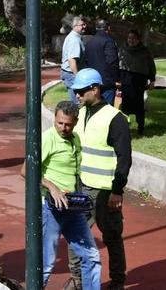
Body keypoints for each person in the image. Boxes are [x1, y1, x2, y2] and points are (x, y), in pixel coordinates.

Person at [21, 101, 101, 289]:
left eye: (68, 124)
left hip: (73, 207)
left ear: (75, 122)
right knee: (46, 264)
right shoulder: (47, 139)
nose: (63, 128)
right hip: (51, 208)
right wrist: (51, 186)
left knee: (91, 256)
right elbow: (26, 170)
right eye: (59, 123)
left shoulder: (75, 139)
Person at [66, 68, 131, 290]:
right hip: (82, 186)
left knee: (112, 237)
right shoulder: (81, 113)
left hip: (105, 192)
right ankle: (76, 280)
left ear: (95, 89)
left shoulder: (115, 118)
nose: (77, 95)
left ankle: (118, 282)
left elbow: (124, 159)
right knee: (75, 236)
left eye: (81, 91)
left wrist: (117, 191)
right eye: (76, 91)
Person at [119, 29, 156, 136]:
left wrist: (152, 80)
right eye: (129, 38)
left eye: (134, 38)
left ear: (138, 39)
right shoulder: (122, 49)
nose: (131, 40)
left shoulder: (144, 51)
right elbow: (118, 65)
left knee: (139, 107)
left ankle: (141, 127)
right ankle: (124, 127)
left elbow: (150, 66)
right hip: (125, 80)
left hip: (139, 82)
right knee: (125, 106)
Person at [85, 19, 121, 105]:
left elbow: (86, 61)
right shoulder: (109, 41)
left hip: (93, 81)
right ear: (108, 28)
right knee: (106, 109)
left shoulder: (89, 42)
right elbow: (112, 62)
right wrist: (116, 80)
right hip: (107, 83)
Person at [61, 16, 87, 105]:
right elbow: (72, 61)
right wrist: (78, 78)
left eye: (85, 24)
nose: (85, 26)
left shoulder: (74, 37)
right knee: (77, 103)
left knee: (77, 101)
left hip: (69, 74)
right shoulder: (74, 40)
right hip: (71, 74)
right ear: (75, 26)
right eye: (82, 25)